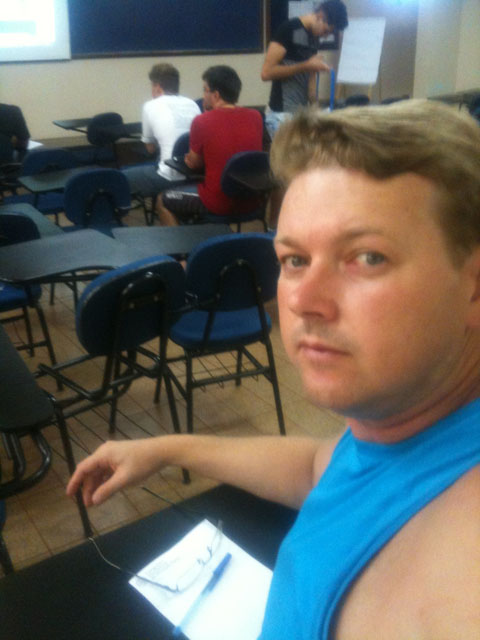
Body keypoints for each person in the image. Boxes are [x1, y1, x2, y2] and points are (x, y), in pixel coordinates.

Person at [67, 100, 480, 638]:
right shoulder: (404, 426)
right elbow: (318, 468)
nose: (304, 300)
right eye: (295, 260)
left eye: (367, 257)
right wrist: (165, 449)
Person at [157, 65, 263, 226]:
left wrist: (191, 158)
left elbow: (194, 163)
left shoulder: (202, 121)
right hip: (252, 201)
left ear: (216, 95)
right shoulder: (256, 117)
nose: (203, 95)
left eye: (205, 90)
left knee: (162, 200)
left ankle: (182, 243)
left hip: (216, 203)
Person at [261, 0, 348, 139]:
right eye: (326, 31)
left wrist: (318, 111)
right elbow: (266, 73)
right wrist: (306, 66)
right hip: (281, 114)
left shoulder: (314, 38)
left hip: (300, 115)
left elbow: (311, 86)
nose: (325, 36)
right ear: (320, 16)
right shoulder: (289, 29)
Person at [122, 63, 200, 199]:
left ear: (157, 87)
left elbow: (150, 149)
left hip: (169, 176)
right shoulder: (192, 104)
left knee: (118, 178)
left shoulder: (150, 105)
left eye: (152, 85)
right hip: (195, 174)